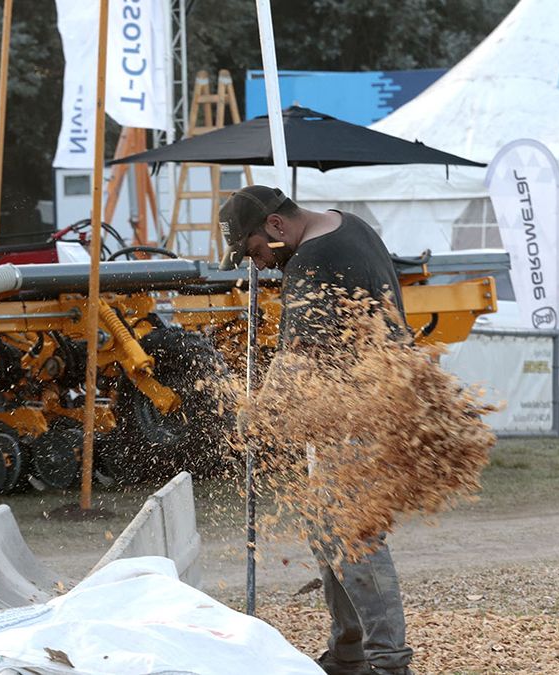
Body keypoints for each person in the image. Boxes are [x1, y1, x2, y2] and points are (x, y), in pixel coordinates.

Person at [219, 185, 415, 675]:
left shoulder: (309, 261)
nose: (259, 265)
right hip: (384, 398)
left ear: (276, 226)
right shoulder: (352, 225)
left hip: (359, 411)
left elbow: (297, 353)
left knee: (352, 534)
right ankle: (348, 652)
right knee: (328, 529)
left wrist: (259, 413)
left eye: (256, 251)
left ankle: (389, 662)